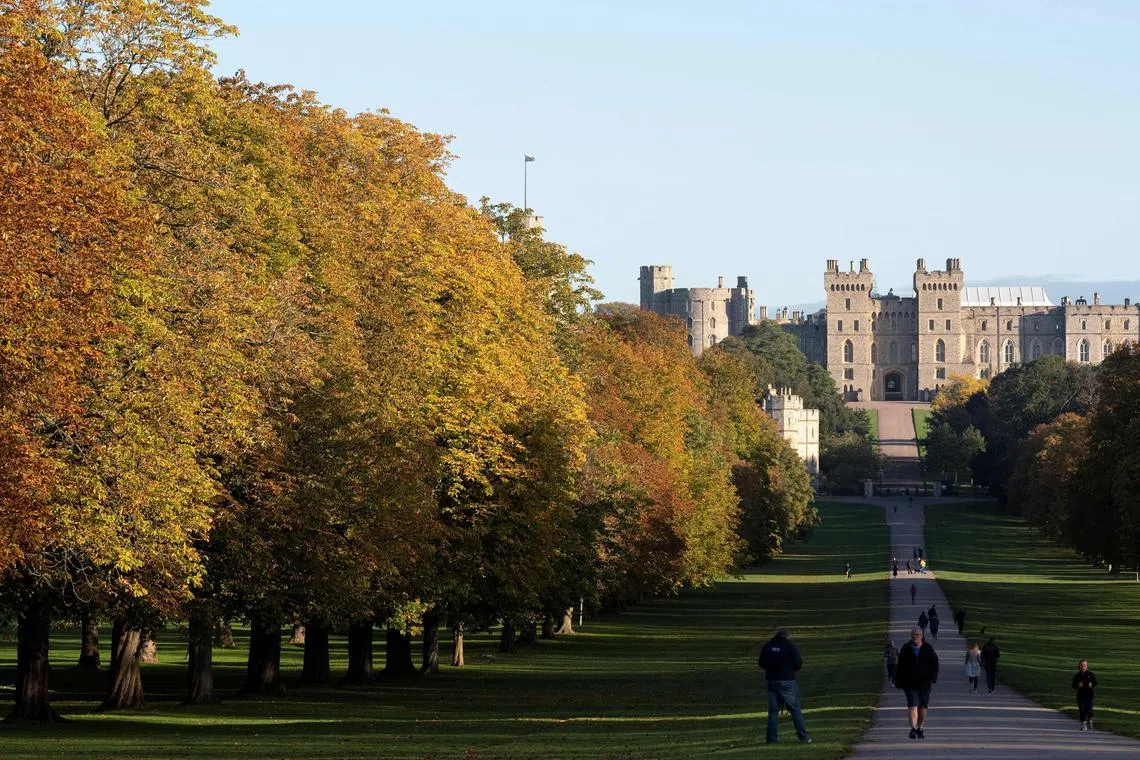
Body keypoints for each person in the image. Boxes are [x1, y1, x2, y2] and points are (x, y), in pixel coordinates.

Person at [758, 628, 811, 744]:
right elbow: (798, 663)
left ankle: (771, 740)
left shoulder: (768, 646)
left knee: (773, 712)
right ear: (786, 635)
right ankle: (803, 737)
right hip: (787, 680)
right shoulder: (789, 646)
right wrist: (789, 670)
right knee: (795, 709)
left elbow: (761, 663)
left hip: (771, 680)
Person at [895, 626, 939, 740]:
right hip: (909, 683)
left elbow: (935, 663)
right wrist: (898, 680)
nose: (915, 637)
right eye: (913, 635)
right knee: (912, 706)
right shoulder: (906, 648)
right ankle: (913, 729)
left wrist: (933, 677)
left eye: (917, 635)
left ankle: (920, 728)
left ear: (922, 636)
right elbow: (900, 665)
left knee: (922, 707)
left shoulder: (928, 648)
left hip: (925, 683)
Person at [1072, 659, 1097, 730]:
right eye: (1082, 665)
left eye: (1085, 665)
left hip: (1089, 695)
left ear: (1087, 666)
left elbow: (1095, 682)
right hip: (1081, 696)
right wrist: (1078, 685)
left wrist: (1091, 684)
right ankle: (1084, 724)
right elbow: (1073, 685)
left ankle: (1090, 719)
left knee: (1089, 709)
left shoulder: (1090, 674)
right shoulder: (1077, 676)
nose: (1083, 666)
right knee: (1082, 709)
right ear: (1079, 666)